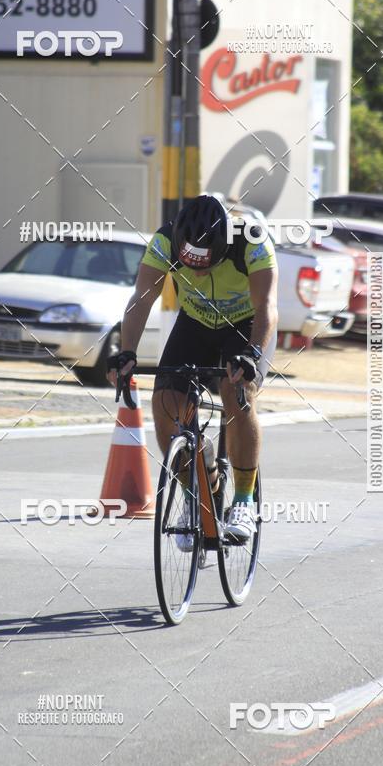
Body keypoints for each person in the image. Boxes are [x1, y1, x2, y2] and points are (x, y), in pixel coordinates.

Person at [106, 194, 278, 546]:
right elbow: (142, 298)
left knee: (237, 393)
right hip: (195, 322)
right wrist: (127, 352)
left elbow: (267, 307)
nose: (198, 271)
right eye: (190, 264)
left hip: (245, 326)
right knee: (166, 402)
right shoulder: (165, 240)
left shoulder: (252, 241)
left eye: (206, 264)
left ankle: (244, 502)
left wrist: (252, 353)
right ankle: (196, 494)